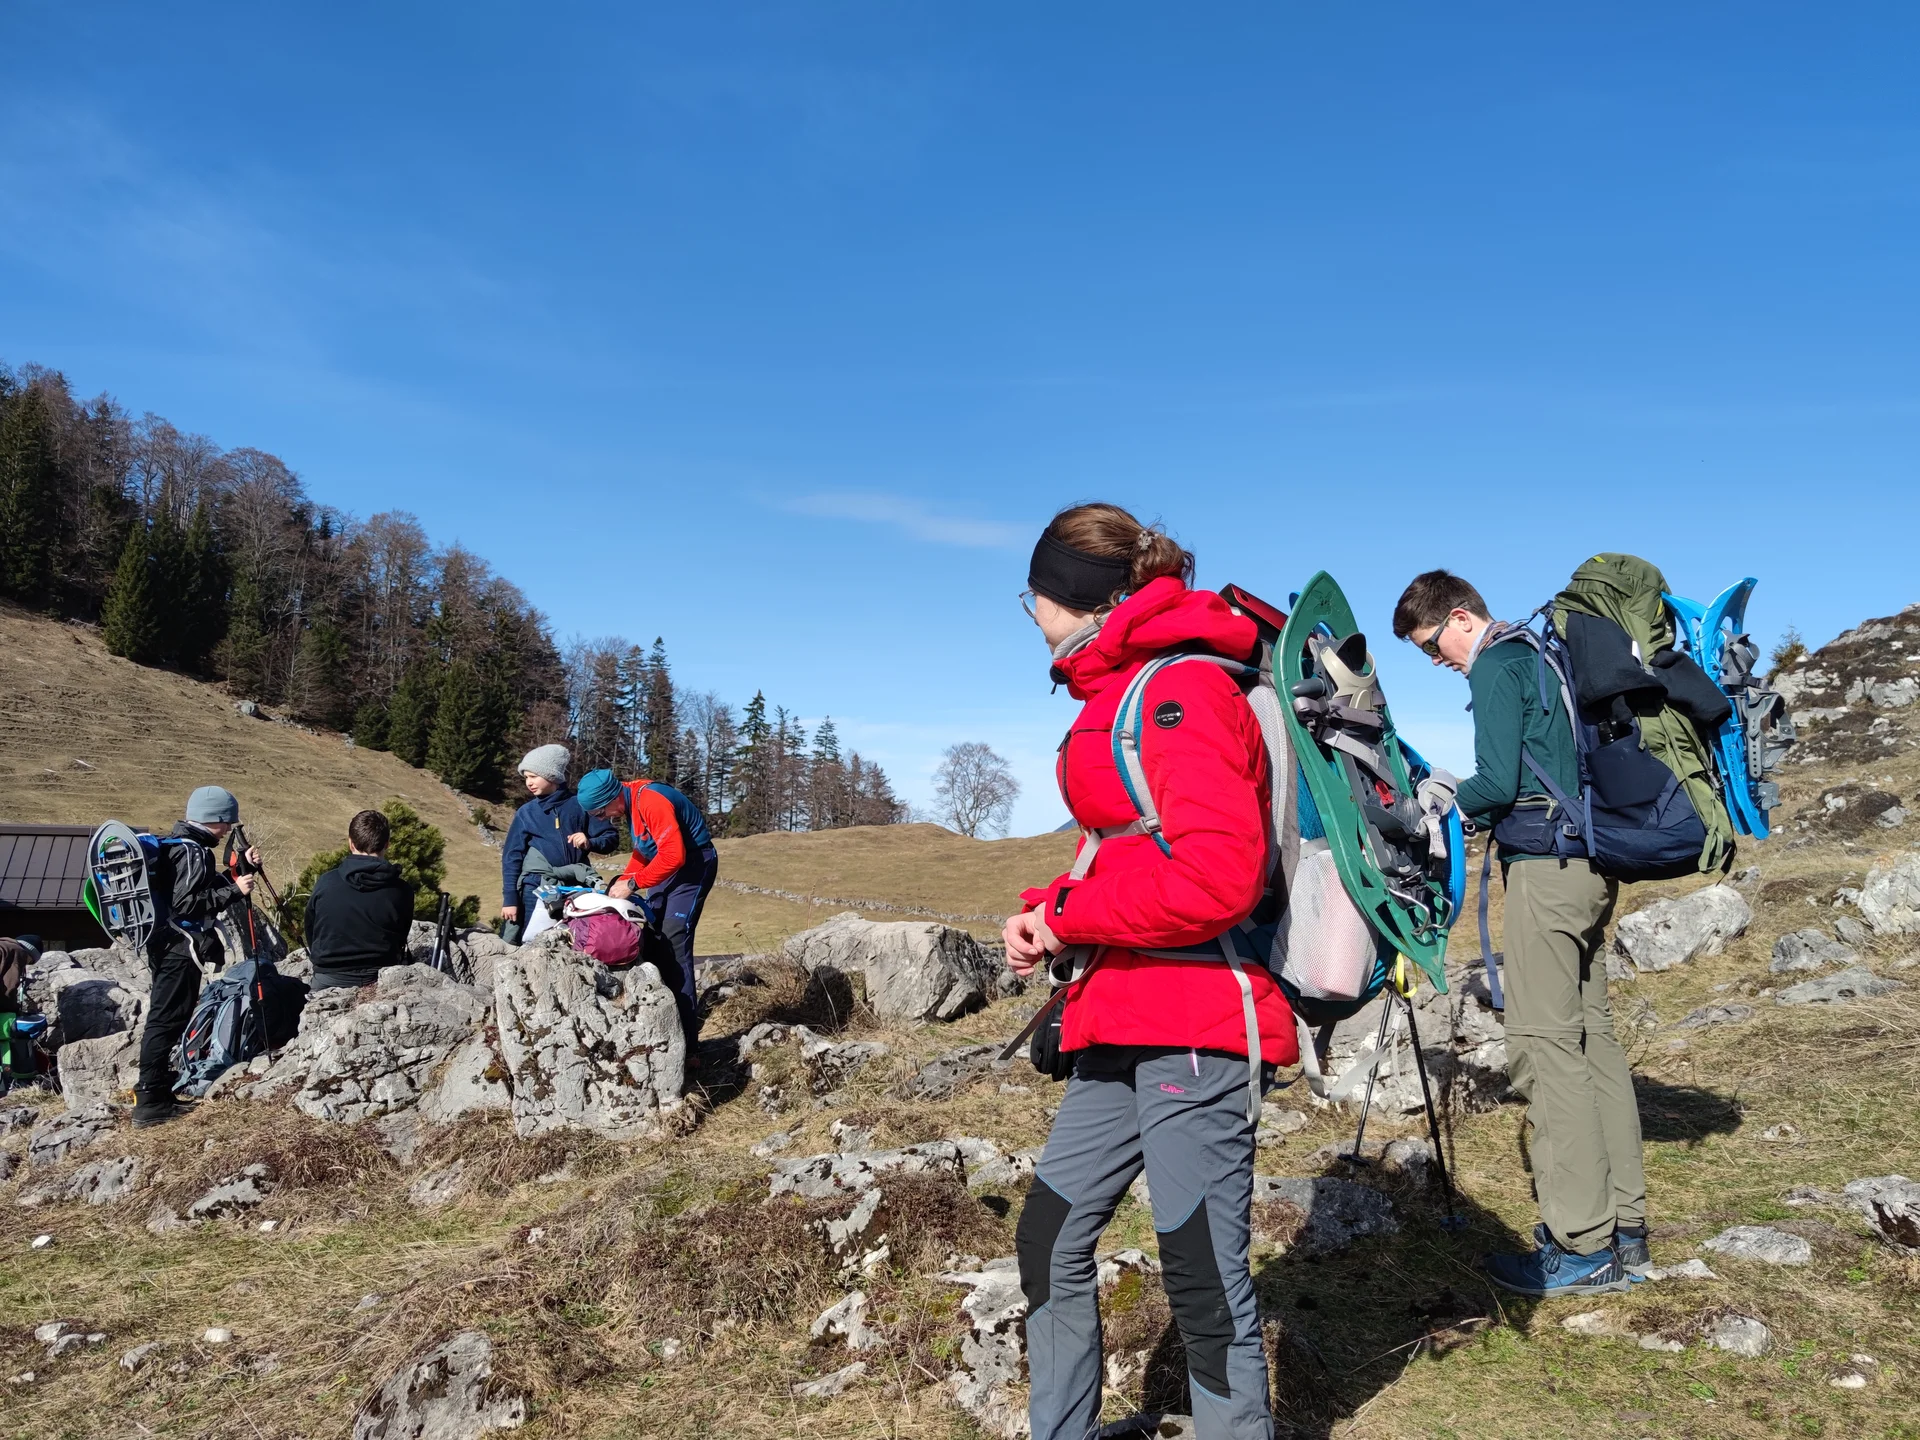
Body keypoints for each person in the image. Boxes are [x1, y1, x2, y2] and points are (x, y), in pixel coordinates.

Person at [1006, 503, 1296, 1440]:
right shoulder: (1128, 691)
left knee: (1202, 1276)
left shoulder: (1182, 692)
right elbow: (1139, 847)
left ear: (1080, 602)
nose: (1032, 617)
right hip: (1118, 1012)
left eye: (1034, 599)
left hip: (1198, 1022)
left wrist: (1067, 916)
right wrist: (1054, 907)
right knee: (1048, 1237)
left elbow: (1216, 878)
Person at [1393, 569, 1646, 1296]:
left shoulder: (1501, 664)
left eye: (1433, 645)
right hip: (1591, 865)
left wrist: (1434, 805)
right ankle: (1626, 1233)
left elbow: (1497, 784)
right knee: (1593, 1042)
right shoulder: (1542, 656)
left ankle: (1581, 1245)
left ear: (1462, 617)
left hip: (1544, 872)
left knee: (1544, 1050)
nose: (1436, 662)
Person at [135, 786, 258, 1127]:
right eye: (227, 824)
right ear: (214, 820)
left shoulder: (180, 847)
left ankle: (156, 1093)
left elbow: (197, 889)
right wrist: (235, 891)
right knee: (167, 1019)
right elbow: (187, 904)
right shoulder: (193, 852)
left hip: (166, 944)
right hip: (180, 947)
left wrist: (239, 872)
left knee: (167, 1016)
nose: (229, 830)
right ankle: (150, 1102)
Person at [576, 767, 719, 1041]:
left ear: (611, 797)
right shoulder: (632, 805)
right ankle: (662, 1021)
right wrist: (622, 881)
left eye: (600, 812)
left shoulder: (651, 800)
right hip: (666, 867)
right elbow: (644, 852)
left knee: (675, 940)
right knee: (651, 933)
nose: (603, 818)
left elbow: (674, 855)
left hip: (693, 865)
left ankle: (688, 1040)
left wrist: (632, 884)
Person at [499, 744, 618, 944]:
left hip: (575, 889)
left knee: (570, 943)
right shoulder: (526, 813)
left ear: (552, 776)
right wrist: (510, 898)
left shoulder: (580, 805)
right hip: (534, 889)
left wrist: (590, 842)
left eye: (533, 776)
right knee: (526, 944)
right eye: (526, 777)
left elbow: (611, 837)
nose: (528, 782)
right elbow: (511, 857)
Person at [303, 810, 418, 990]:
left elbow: (311, 928)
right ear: (387, 845)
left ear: (351, 843)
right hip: (382, 976)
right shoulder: (402, 890)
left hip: (329, 978)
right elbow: (401, 936)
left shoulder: (326, 882)